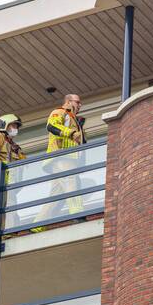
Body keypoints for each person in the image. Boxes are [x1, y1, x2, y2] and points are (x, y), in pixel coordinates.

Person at [32, 94, 86, 231]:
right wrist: (71, 133)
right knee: (71, 181)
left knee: (57, 195)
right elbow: (51, 126)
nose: (80, 105)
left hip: (69, 158)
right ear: (68, 102)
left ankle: (37, 225)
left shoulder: (75, 120)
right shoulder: (59, 112)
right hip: (61, 156)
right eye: (77, 102)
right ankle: (78, 214)